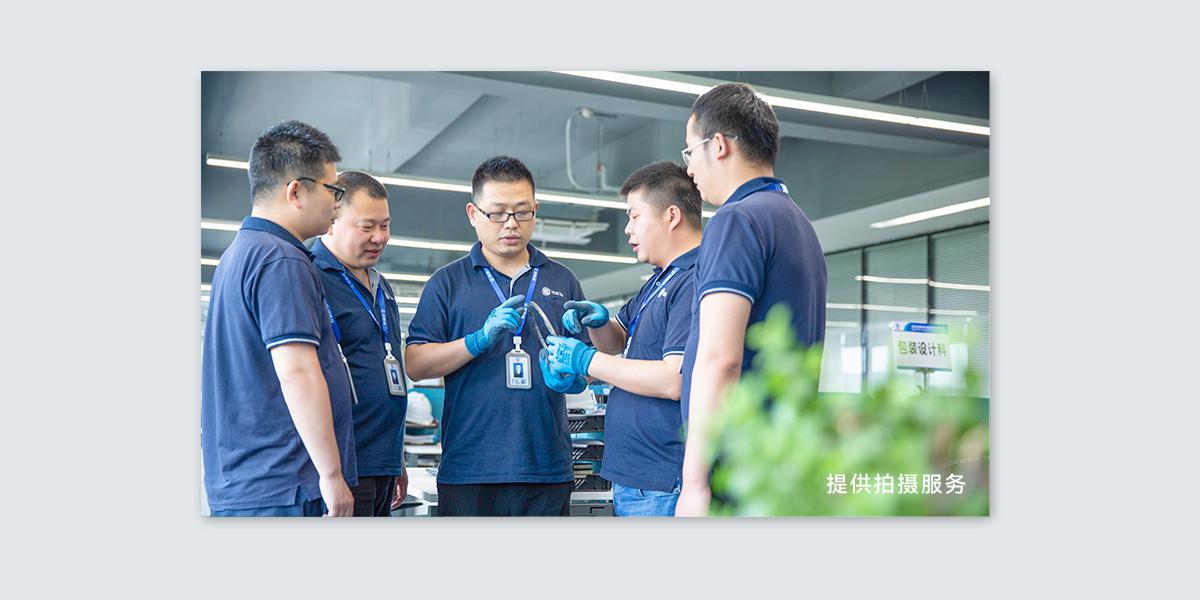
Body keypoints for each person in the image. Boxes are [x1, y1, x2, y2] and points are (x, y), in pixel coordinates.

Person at [404, 156, 590, 516]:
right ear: (473, 214)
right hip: (470, 469)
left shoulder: (562, 280)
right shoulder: (447, 283)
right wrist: (476, 341)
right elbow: (416, 364)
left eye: (522, 212)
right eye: (498, 213)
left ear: (536, 210)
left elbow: (586, 365)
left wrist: (574, 377)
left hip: (545, 467)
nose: (511, 223)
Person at [674, 83, 828, 517]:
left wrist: (695, 484)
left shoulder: (737, 220)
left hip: (736, 469)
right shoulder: (799, 224)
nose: (689, 168)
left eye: (690, 151)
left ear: (718, 145)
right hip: (781, 462)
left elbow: (720, 358)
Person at [201, 120, 357, 517]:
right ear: (296, 191)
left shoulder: (239, 254)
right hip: (286, 487)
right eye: (333, 190)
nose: (337, 204)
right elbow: (297, 372)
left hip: (253, 485)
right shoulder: (281, 259)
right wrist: (331, 475)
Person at [542, 161, 702, 517]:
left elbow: (673, 380)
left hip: (660, 479)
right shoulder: (660, 279)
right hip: (635, 476)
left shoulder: (692, 279)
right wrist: (597, 323)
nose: (628, 228)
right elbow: (616, 341)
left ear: (671, 216)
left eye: (634, 216)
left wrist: (585, 360)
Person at [311, 170, 409, 517]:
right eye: (367, 227)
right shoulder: (309, 276)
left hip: (382, 460)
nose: (379, 237)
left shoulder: (382, 286)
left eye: (385, 225)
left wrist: (397, 457)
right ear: (331, 221)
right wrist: (330, 473)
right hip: (342, 465)